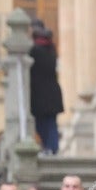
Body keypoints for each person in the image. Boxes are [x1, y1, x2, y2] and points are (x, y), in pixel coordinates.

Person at [30, 21, 64, 154]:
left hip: (40, 94)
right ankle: (52, 148)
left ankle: (50, 148)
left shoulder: (34, 50)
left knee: (43, 124)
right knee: (50, 124)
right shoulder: (51, 48)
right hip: (52, 93)